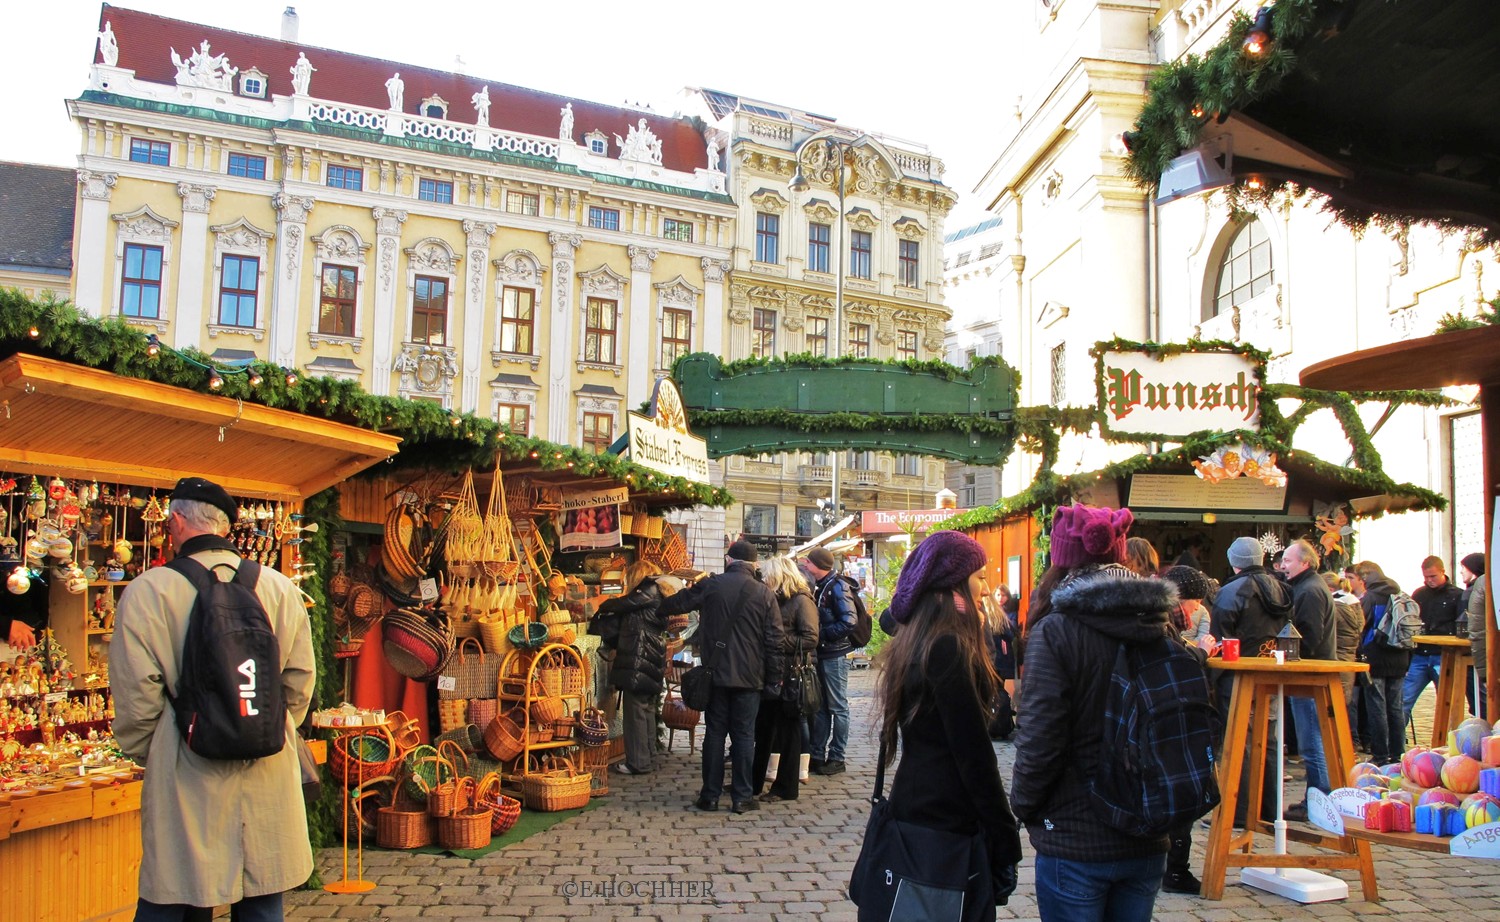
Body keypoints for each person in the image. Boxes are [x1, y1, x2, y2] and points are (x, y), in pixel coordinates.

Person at [110, 478, 313, 922]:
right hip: (267, 761)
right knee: (261, 897)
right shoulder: (279, 588)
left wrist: (158, 746)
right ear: (224, 526)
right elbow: (299, 682)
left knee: (176, 895)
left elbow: (135, 691)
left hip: (185, 763)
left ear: (177, 521)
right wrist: (267, 726)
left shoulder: (149, 590)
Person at [1012, 505, 1178, 917]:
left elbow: (1040, 738)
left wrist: (1024, 806)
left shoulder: (1058, 630)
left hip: (1077, 835)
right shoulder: (1160, 623)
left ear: (1062, 559)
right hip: (1147, 829)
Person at [877, 530, 1022, 916]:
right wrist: (1005, 839)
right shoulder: (948, 646)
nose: (985, 588)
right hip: (945, 819)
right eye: (979, 577)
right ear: (954, 582)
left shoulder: (917, 639)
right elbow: (973, 754)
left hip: (916, 804)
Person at [658, 540, 783, 813]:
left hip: (715, 674)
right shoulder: (765, 594)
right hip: (750, 678)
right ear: (754, 565)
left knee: (714, 734)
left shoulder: (712, 585)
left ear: (729, 560)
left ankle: (710, 796)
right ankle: (741, 798)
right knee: (744, 736)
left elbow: (677, 603)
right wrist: (775, 678)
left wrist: (656, 599)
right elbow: (775, 641)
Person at [1209, 535, 1293, 825]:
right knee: (1268, 741)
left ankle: (1239, 810)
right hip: (1270, 671)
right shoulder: (1281, 589)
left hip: (1237, 676)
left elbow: (1221, 637)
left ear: (1235, 563)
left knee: (1238, 741)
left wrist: (1212, 676)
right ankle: (1268, 808)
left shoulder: (1232, 591)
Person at [590, 560, 681, 775]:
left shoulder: (646, 591)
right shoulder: (659, 594)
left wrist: (603, 605)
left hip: (639, 660)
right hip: (651, 659)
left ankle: (638, 762)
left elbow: (621, 605)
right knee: (646, 709)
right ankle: (647, 756)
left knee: (636, 711)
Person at [751, 555, 818, 802]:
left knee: (789, 732)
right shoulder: (773, 599)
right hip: (771, 672)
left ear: (778, 576)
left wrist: (777, 642)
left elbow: (811, 638)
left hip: (791, 674)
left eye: (767, 575)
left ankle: (786, 788)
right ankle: (753, 783)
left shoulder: (802, 601)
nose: (764, 579)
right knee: (764, 729)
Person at [1276, 539, 1336, 810]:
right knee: (1311, 740)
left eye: (1288, 561)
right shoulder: (1306, 587)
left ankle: (1319, 800)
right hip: (1308, 673)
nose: (1283, 566)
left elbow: (1309, 636)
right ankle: (1317, 797)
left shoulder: (1310, 591)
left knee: (1312, 742)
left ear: (1305, 562)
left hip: (1310, 674)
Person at [801, 545, 855, 776]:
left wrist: (821, 635)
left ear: (818, 566)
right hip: (822, 654)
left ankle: (837, 757)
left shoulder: (838, 586)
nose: (806, 566)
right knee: (820, 707)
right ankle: (817, 755)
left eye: (809, 563)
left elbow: (849, 621)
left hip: (834, 654)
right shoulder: (821, 586)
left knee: (838, 707)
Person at [1354, 560, 1411, 765]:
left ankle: (1380, 754)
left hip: (1376, 657)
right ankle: (1398, 753)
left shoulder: (1371, 597)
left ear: (1366, 577)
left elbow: (1361, 625)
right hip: (1399, 656)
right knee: (1395, 706)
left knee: (1377, 705)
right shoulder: (1399, 594)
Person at [1403, 555, 1465, 726]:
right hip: (1420, 654)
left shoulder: (1457, 595)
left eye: (1433, 576)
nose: (1429, 580)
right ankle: (1396, 745)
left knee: (1448, 703)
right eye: (1426, 577)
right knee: (1404, 700)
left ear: (1442, 572)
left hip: (1443, 654)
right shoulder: (1419, 594)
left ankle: (1449, 740)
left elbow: (1460, 624)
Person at [1325, 571, 1367, 753]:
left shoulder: (1336, 606)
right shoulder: (1355, 604)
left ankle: (1339, 749)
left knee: (1335, 707)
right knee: (1346, 704)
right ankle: (1349, 744)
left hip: (1335, 659)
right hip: (1348, 658)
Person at [1459, 553, 1487, 717]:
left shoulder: (1475, 590)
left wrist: (1484, 672)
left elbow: (1477, 630)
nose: (1461, 572)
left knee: (1480, 702)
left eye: (1464, 568)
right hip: (1478, 654)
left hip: (1475, 654)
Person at [1162, 565, 1211, 645]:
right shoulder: (1162, 624)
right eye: (1197, 601)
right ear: (1181, 597)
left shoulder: (1168, 621)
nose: (1197, 607)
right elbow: (1175, 656)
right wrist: (1203, 651)